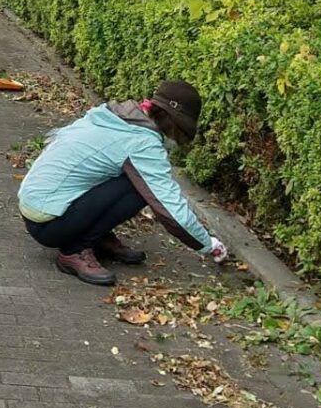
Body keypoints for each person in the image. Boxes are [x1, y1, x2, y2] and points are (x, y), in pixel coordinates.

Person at [17, 80, 228, 286]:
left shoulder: (116, 116)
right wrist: (208, 244)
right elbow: (169, 207)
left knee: (128, 176)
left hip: (35, 203)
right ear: (172, 121)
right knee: (139, 187)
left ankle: (95, 237)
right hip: (49, 224)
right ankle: (75, 250)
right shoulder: (143, 143)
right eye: (180, 131)